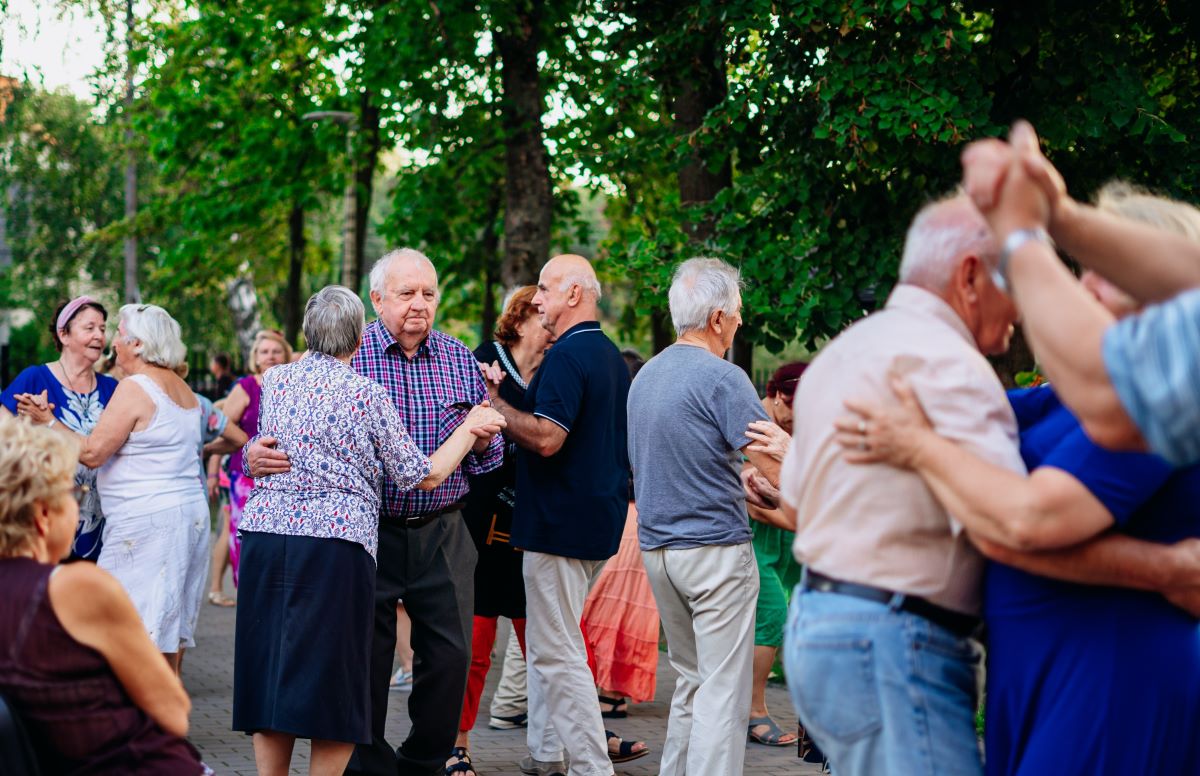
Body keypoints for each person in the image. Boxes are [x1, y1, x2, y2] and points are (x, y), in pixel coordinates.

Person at [834, 184, 1200, 775]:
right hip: (1038, 675)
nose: (1078, 288)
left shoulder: (1156, 404)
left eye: (1100, 271)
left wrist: (915, 444)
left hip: (1109, 679)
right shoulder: (1068, 398)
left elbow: (1027, 521)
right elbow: (963, 406)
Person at [778, 195, 1026, 775]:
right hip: (896, 646)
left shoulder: (842, 355)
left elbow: (795, 498)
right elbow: (1013, 520)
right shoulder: (950, 365)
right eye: (1014, 278)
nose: (1022, 305)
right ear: (969, 274)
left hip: (825, 629)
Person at [246, 248, 504, 776]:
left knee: (451, 657)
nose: (420, 304)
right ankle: (368, 767)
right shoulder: (349, 359)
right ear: (376, 300)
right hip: (369, 532)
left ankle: (424, 760)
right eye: (407, 293)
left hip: (443, 529)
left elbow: (491, 458)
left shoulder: (458, 358)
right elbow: (275, 441)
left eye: (429, 293)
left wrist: (480, 440)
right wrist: (252, 455)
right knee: (363, 657)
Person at [483, 254, 643, 776]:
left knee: (555, 650)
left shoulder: (569, 356)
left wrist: (494, 409)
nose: (539, 301)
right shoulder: (605, 355)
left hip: (559, 524)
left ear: (574, 294)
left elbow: (548, 437)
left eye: (547, 291)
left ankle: (591, 766)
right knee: (559, 639)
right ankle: (548, 752)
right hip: (594, 519)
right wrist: (506, 394)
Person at [959, 120, 1200, 465]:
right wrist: (1055, 212)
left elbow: (1028, 515)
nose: (1084, 285)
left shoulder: (1147, 391)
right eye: (1087, 265)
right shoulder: (1063, 393)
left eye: (1107, 270)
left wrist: (1019, 234)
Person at [626, 257, 780, 776]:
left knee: (691, 680)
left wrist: (734, 477)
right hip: (714, 552)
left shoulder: (646, 376)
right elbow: (777, 465)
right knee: (723, 692)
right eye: (737, 313)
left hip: (659, 553)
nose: (740, 321)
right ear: (717, 319)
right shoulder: (724, 377)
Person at [0, 415, 208, 774]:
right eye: (74, 493)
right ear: (43, 512)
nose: (79, 508)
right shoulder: (74, 588)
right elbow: (173, 714)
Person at [17, 304, 210, 674]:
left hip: (151, 524)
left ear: (138, 345)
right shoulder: (181, 387)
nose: (113, 343)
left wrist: (47, 421)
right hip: (188, 518)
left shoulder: (136, 387)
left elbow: (91, 453)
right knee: (164, 626)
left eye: (119, 334)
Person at [452, 285, 552, 771]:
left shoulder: (559, 369)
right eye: (546, 320)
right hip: (479, 523)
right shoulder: (480, 363)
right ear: (521, 320)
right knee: (474, 648)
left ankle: (571, 738)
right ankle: (459, 744)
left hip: (535, 525)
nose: (554, 330)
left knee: (552, 642)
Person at [1, 296, 118, 561]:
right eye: (89, 328)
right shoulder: (35, 378)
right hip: (46, 512)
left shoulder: (112, 388)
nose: (99, 335)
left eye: (102, 328)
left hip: (102, 516)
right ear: (63, 334)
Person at [582, 348, 660, 718]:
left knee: (607, 603)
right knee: (628, 607)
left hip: (623, 512)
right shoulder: (642, 414)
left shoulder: (609, 415)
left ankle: (602, 687)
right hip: (638, 515)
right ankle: (611, 689)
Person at [742, 362, 807, 748]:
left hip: (794, 536)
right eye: (794, 410)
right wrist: (806, 520)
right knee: (771, 614)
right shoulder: (754, 425)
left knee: (803, 611)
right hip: (762, 534)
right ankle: (753, 712)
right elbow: (754, 503)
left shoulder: (802, 426)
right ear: (776, 396)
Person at [223, 330, 292, 587]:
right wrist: (246, 443)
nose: (270, 356)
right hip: (245, 477)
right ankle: (247, 591)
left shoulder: (294, 384)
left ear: (286, 354)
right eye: (264, 351)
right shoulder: (246, 387)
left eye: (276, 351)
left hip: (284, 475)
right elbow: (223, 425)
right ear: (255, 357)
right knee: (245, 537)